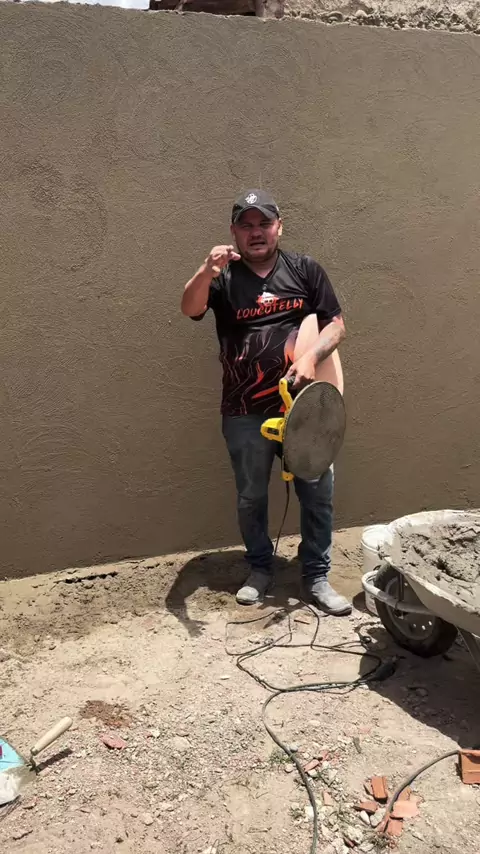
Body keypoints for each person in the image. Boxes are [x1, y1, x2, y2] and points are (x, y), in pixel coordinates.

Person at [181, 190, 351, 616]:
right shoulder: (223, 279)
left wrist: (311, 357)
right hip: (244, 410)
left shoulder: (305, 270)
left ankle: (317, 575)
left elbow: (336, 326)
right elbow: (189, 308)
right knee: (251, 496)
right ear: (234, 232)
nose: (256, 232)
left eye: (264, 224)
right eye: (246, 225)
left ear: (279, 227)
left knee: (317, 492)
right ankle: (260, 568)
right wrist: (205, 271)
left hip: (305, 409)